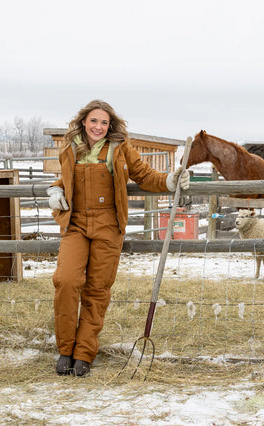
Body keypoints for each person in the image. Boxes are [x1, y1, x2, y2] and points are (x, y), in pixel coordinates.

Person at [46, 100, 189, 377]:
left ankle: (83, 354)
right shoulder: (70, 148)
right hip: (75, 224)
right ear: (83, 122)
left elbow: (145, 176)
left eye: (104, 122)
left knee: (97, 290)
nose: (99, 127)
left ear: (110, 126)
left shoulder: (120, 149)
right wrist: (54, 190)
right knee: (66, 280)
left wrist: (172, 180)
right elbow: (64, 180)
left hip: (108, 225)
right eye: (94, 121)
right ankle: (65, 348)